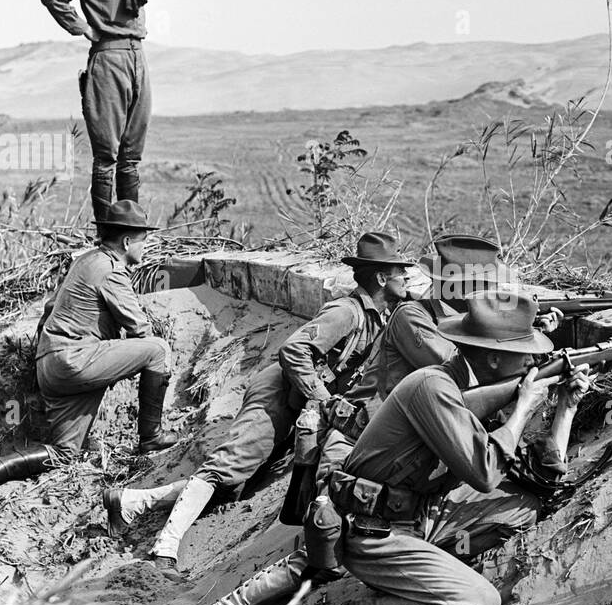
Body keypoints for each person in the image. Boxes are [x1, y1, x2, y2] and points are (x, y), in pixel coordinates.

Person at [198, 237, 563, 605]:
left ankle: (406, 580)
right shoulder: (415, 317)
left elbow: (473, 386)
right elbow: (457, 378)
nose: (491, 295)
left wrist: (524, 340)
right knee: (326, 548)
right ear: (459, 288)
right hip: (353, 440)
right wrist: (522, 379)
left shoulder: (465, 333)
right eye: (484, 288)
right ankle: (237, 604)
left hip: (408, 460)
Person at [101, 231, 415, 573]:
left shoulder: (379, 316)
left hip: (298, 401)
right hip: (278, 392)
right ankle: (164, 549)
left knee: (237, 485)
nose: (407, 278)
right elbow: (294, 350)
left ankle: (131, 502)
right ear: (382, 278)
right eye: (401, 272)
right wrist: (324, 399)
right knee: (227, 466)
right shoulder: (346, 311)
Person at [327, 288, 591, 605]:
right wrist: (523, 408)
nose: (534, 360)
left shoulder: (466, 388)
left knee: (525, 506)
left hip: (419, 516)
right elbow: (485, 473)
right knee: (479, 603)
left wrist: (566, 407)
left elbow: (539, 480)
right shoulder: (432, 387)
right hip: (374, 532)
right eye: (525, 353)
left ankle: (426, 575)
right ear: (496, 358)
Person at [0, 201, 174, 498]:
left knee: (65, 454)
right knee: (158, 349)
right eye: (143, 240)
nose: (145, 247)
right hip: (74, 360)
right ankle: (152, 438)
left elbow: (49, 308)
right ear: (126, 241)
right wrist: (149, 366)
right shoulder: (111, 270)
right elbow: (140, 330)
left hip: (51, 366)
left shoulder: (84, 261)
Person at [41, 0, 154, 225]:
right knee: (107, 154)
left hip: (138, 57)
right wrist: (81, 28)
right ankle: (107, 234)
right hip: (109, 58)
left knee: (132, 156)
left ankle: (130, 231)